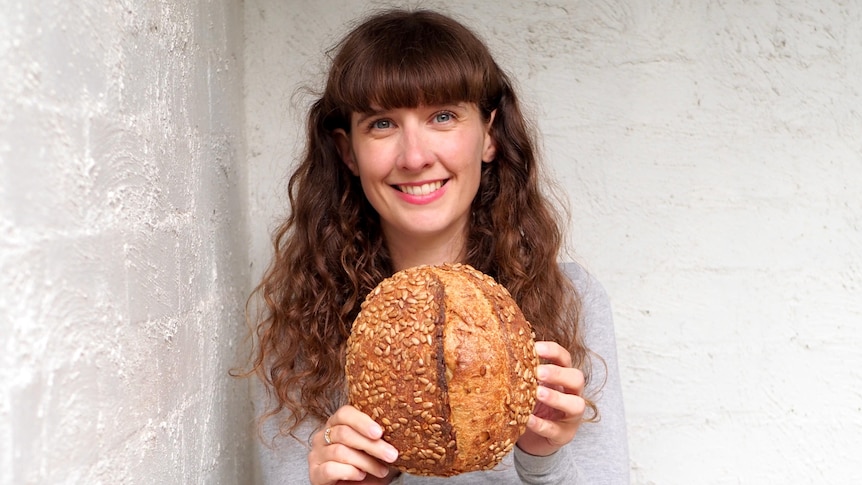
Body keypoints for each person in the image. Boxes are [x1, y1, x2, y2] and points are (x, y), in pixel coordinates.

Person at [249, 8, 629, 485]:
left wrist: (542, 456)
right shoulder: (303, 317)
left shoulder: (571, 296)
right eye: (382, 124)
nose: (414, 156)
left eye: (443, 116)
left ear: (489, 135)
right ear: (348, 152)